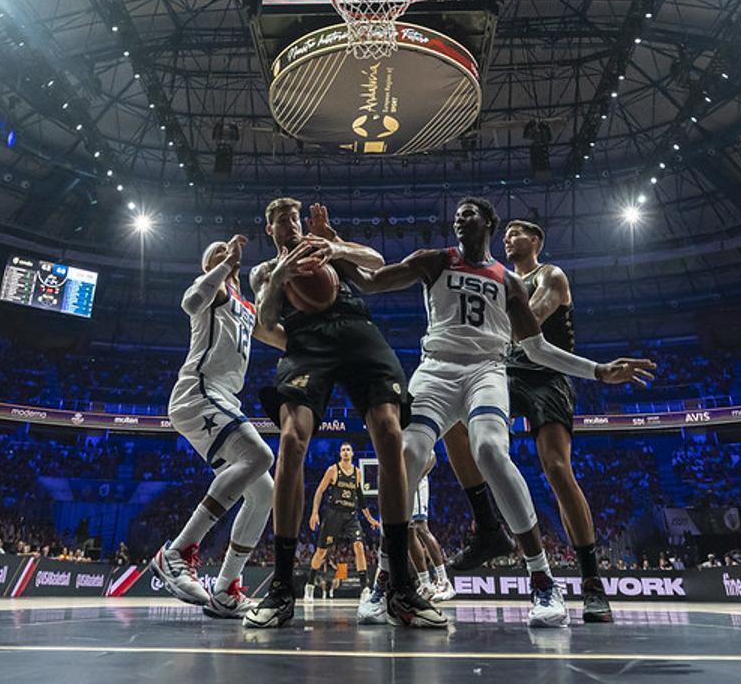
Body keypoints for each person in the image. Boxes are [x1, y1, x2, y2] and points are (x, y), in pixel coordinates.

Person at [346, 197, 655, 627]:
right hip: (436, 369)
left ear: (488, 221)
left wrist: (598, 371)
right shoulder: (435, 260)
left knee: (491, 450)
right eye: (456, 213)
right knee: (407, 455)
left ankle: (543, 579)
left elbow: (538, 347)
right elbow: (370, 282)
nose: (460, 217)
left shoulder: (512, 281)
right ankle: (386, 577)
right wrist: (334, 251)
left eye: (470, 212)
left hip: (488, 370)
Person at [246, 200, 436, 628]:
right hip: (306, 342)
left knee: (389, 433)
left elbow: (375, 266)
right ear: (269, 229)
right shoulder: (264, 271)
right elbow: (266, 321)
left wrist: (338, 246)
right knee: (291, 439)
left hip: (357, 331)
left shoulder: (324, 249)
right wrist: (280, 277)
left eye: (294, 218)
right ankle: (282, 588)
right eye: (281, 221)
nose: (291, 225)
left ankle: (401, 586)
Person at [442, 219, 613, 623]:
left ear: (535, 240)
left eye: (516, 232)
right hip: (507, 373)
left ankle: (591, 583)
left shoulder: (550, 275)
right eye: (505, 234)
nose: (507, 237)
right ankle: (488, 526)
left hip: (548, 376)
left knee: (556, 468)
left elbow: (528, 322)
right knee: (454, 422)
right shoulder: (500, 280)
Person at [153, 234, 285, 619]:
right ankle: (177, 551)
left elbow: (282, 339)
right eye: (216, 253)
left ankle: (226, 589)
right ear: (209, 266)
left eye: (227, 253)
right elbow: (190, 302)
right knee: (260, 455)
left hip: (222, 398)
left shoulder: (245, 306)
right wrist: (225, 264)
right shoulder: (209, 290)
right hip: (199, 390)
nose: (224, 254)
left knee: (264, 494)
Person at [305, 442, 379, 603]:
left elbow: (360, 497)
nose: (345, 452)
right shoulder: (333, 470)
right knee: (321, 552)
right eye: (343, 450)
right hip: (334, 514)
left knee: (359, 546)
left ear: (352, 453)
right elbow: (319, 491)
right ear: (340, 454)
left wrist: (370, 518)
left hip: (351, 515)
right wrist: (314, 512)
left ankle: (364, 588)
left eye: (348, 450)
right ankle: (309, 585)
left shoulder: (357, 472)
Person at [407, 453, 454, 602]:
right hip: (404, 482)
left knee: (421, 528)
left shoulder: (417, 439)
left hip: (415, 482)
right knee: (408, 532)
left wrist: (417, 476)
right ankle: (425, 584)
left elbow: (432, 456)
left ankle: (444, 581)